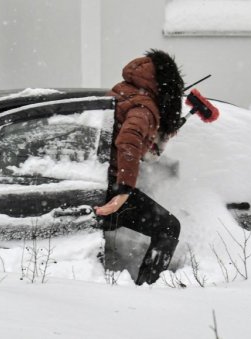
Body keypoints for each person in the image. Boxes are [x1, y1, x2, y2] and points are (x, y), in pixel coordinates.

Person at [94, 49, 184, 286]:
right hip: (109, 188)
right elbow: (128, 140)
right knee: (169, 227)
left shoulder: (123, 90)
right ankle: (149, 287)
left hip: (91, 177)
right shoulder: (146, 108)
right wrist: (124, 189)